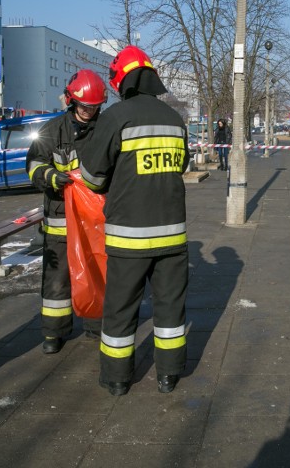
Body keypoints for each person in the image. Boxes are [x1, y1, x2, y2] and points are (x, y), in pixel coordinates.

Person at [79, 46, 190, 396]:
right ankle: (169, 375)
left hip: (129, 238)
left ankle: (116, 378)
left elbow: (93, 178)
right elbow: (181, 167)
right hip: (173, 236)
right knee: (171, 308)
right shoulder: (174, 119)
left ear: (121, 79)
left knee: (121, 309)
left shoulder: (116, 117)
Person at [26, 70, 107, 354]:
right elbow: (34, 164)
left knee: (96, 272)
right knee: (57, 280)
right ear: (72, 101)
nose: (89, 111)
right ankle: (53, 333)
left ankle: (96, 325)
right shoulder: (53, 129)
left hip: (97, 220)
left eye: (95, 107)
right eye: (85, 106)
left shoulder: (106, 128)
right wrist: (51, 178)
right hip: (61, 218)